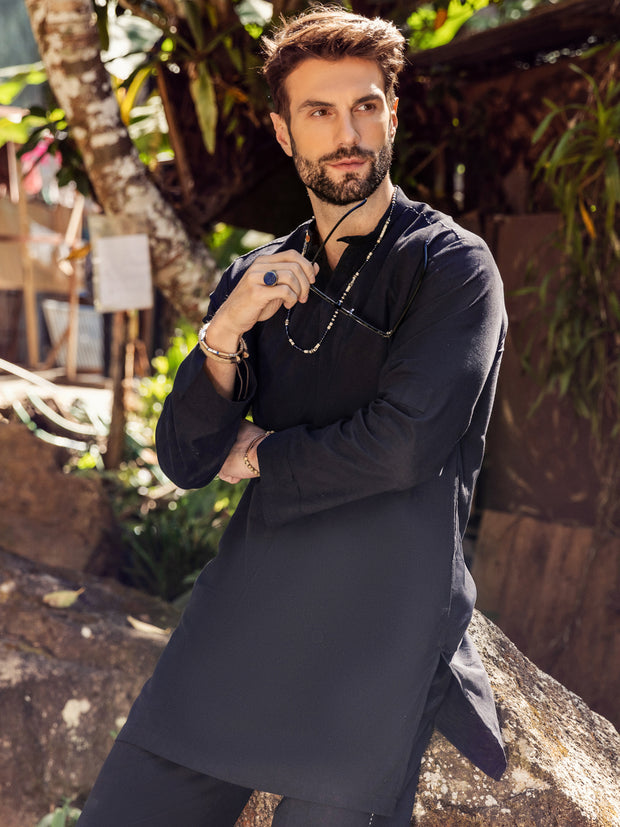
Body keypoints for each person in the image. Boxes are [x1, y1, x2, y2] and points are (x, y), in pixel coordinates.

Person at [78, 7, 507, 826]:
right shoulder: (259, 272)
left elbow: (403, 446)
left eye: (366, 106)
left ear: (391, 113)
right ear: (283, 132)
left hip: (380, 626)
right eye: (319, 111)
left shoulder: (452, 266)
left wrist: (263, 453)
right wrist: (226, 328)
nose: (348, 134)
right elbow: (187, 457)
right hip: (249, 608)